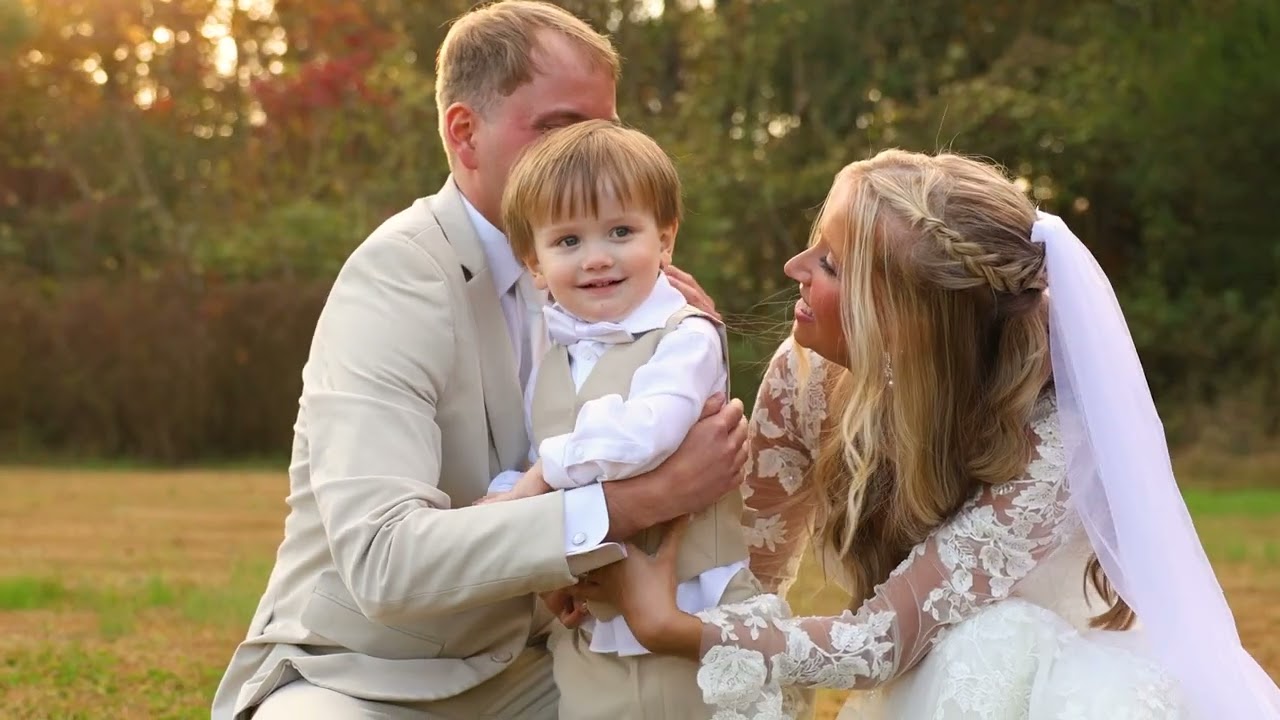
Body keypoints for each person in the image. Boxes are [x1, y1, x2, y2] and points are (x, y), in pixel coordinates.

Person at [576, 149, 1280, 719]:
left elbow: (883, 640)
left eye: (827, 266)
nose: (794, 269)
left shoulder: (1052, 445)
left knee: (991, 642)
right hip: (908, 682)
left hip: (1034, 695)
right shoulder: (806, 378)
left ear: (901, 321)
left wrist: (667, 625)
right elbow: (755, 575)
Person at [210, 3, 749, 719]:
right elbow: (384, 560)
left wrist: (694, 353)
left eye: (604, 130)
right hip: (368, 674)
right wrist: (638, 501)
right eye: (559, 127)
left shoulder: (610, 279)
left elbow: (672, 449)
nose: (585, 152)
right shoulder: (395, 279)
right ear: (465, 134)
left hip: (545, 662)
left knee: (731, 700)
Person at [475, 119, 764, 718]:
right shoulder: (554, 358)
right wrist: (510, 505)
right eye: (568, 242)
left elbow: (644, 437)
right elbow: (541, 449)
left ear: (665, 239)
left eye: (621, 231)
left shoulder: (686, 338)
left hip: (689, 617)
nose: (597, 258)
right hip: (592, 632)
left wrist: (536, 487)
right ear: (534, 263)